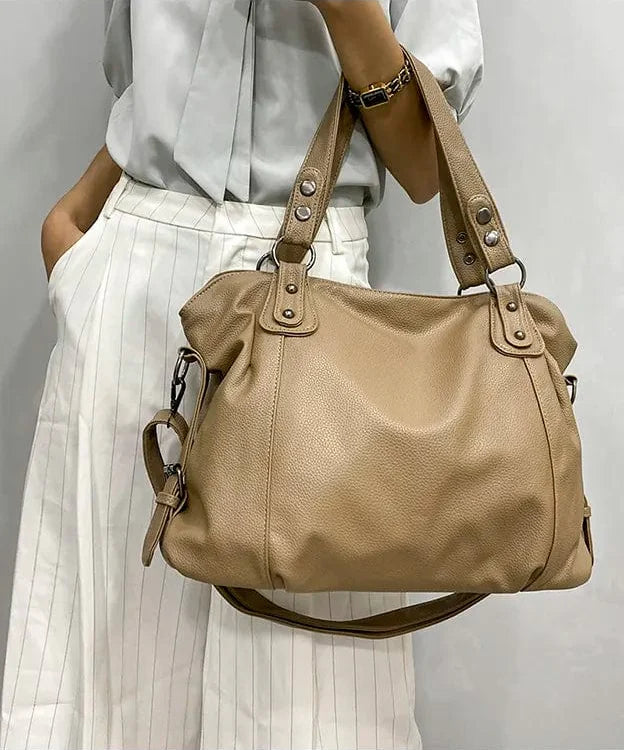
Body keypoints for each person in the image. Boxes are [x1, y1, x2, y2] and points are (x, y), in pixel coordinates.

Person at [0, 1, 483, 748]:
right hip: (134, 273)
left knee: (308, 704)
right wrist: (76, 224)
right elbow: (144, 83)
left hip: (313, 293)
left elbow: (424, 166)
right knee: (106, 678)